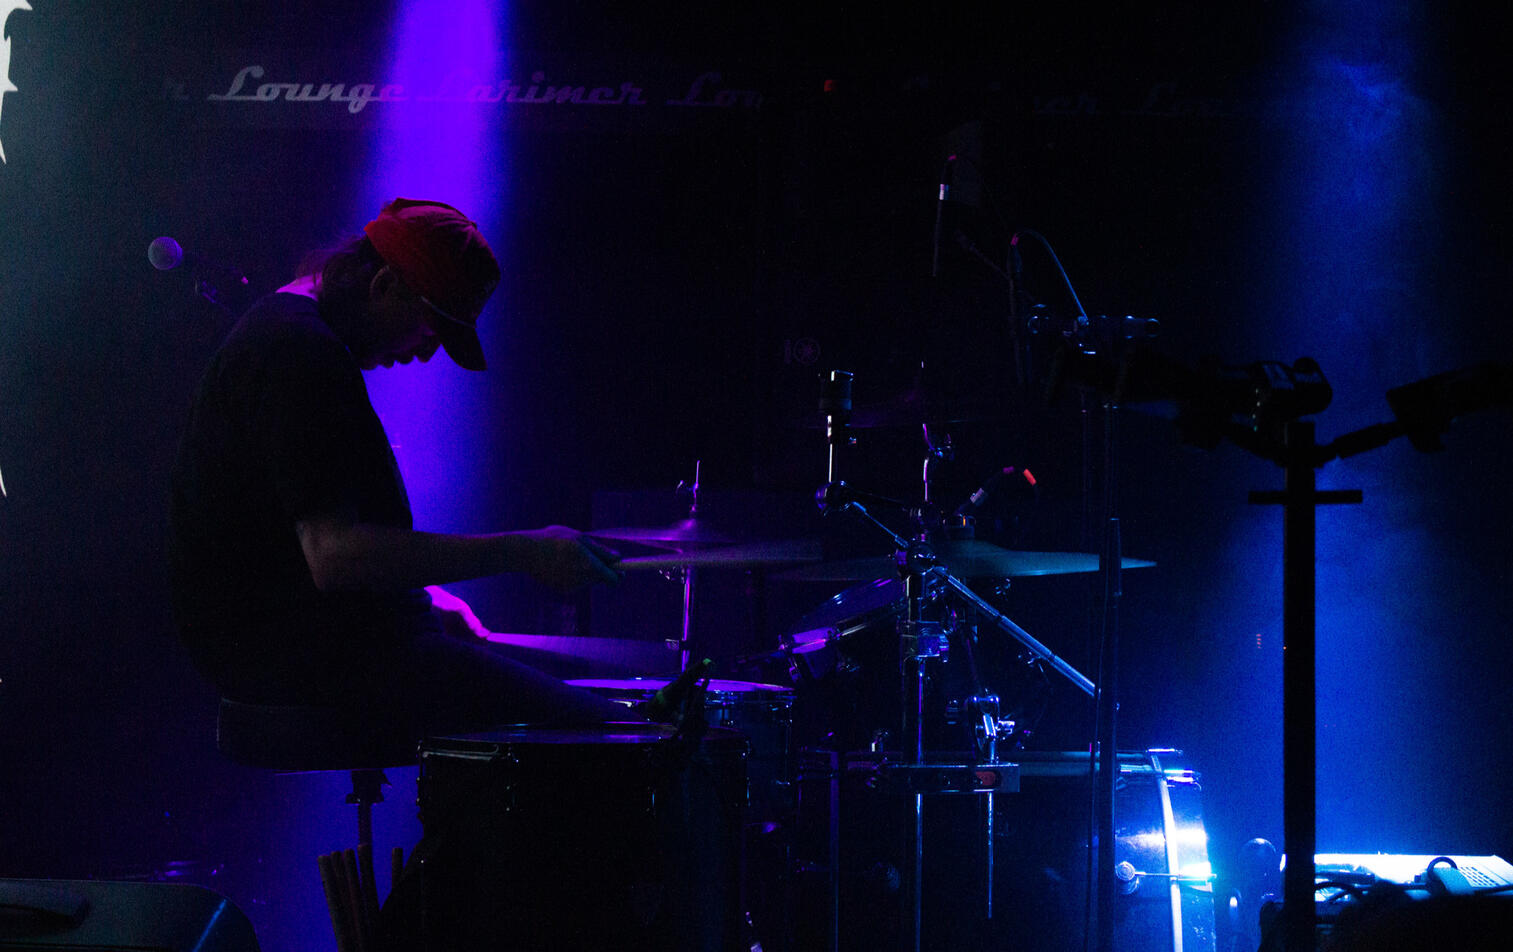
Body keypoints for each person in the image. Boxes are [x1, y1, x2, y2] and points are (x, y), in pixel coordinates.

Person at [168, 197, 637, 735]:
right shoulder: (298, 352)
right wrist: (521, 551)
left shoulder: (294, 330)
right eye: (428, 326)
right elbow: (335, 556)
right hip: (293, 653)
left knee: (585, 702)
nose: (426, 352)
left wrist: (426, 597)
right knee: (608, 732)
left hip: (304, 637)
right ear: (385, 284)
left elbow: (283, 535)